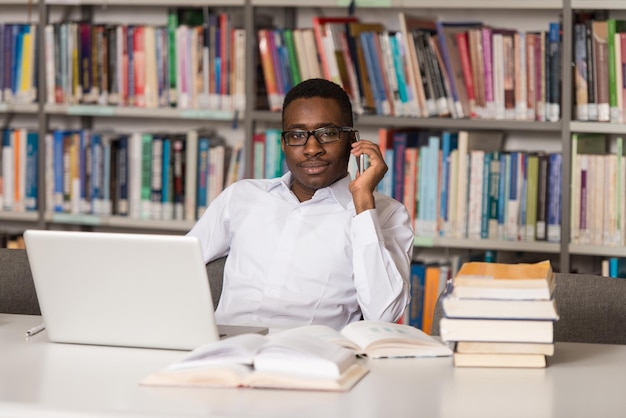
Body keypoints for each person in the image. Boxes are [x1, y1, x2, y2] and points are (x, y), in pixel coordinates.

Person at [187, 78, 413, 330]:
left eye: (327, 134)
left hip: (310, 356)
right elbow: (178, 264)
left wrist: (362, 201)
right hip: (224, 350)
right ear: (283, 144)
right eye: (297, 135)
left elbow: (383, 315)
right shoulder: (242, 196)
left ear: (352, 141)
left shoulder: (386, 214)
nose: (311, 149)